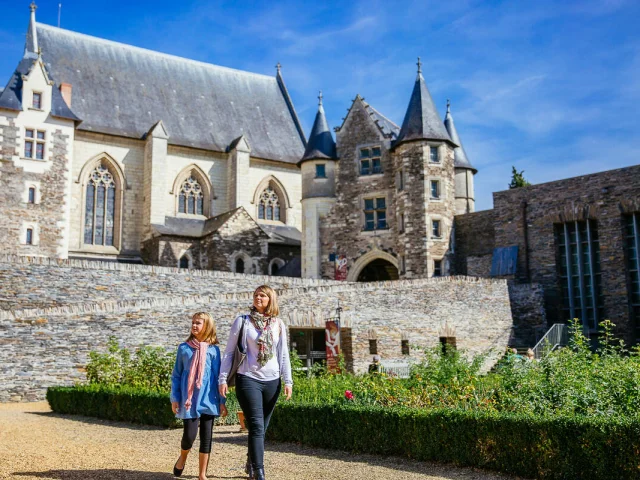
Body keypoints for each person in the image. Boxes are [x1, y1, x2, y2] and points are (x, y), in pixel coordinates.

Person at [219, 285, 293, 480]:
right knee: (257, 426)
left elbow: (283, 354)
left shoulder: (278, 324)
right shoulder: (242, 322)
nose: (258, 298)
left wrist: (288, 380)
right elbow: (228, 352)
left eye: (262, 295)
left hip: (272, 381)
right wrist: (222, 378)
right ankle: (258, 471)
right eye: (256, 295)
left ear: (270, 300)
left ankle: (250, 461)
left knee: (261, 427)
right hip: (248, 379)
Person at [171, 312, 227, 480]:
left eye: (198, 323)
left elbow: (219, 377)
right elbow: (177, 375)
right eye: (193, 323)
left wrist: (222, 401)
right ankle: (183, 457)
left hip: (209, 399)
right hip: (190, 400)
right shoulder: (184, 348)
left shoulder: (214, 350)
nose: (194, 326)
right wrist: (175, 397)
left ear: (207, 326)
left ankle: (202, 474)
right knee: (189, 436)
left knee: (207, 437)